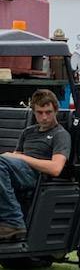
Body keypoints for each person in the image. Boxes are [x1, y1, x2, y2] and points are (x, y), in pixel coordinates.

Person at [0, 89, 71, 241]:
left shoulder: (61, 135)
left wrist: (22, 158)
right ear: (33, 112)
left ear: (56, 111)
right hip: (20, 172)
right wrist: (15, 157)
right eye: (39, 112)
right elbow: (15, 159)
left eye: (48, 112)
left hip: (38, 176)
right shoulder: (28, 132)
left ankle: (13, 222)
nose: (44, 117)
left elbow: (56, 168)